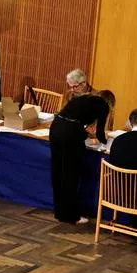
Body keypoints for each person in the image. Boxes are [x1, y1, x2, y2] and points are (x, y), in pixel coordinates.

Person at [49, 88, 114, 225]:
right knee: (70, 176)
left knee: (58, 172)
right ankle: (70, 216)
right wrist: (105, 140)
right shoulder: (103, 106)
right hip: (69, 135)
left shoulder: (85, 99)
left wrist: (85, 134)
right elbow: (100, 134)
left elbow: (76, 121)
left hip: (56, 128)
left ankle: (59, 211)